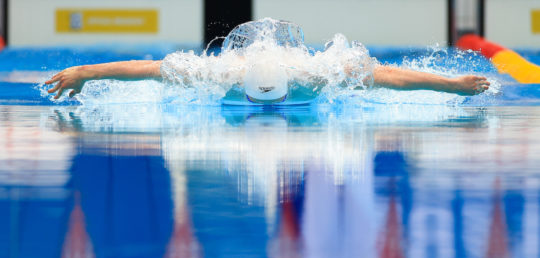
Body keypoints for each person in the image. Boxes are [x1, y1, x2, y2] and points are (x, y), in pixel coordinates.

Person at [45, 19, 490, 103]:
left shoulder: (314, 76)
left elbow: (387, 75)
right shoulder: (217, 74)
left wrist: (452, 85)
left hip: (292, 60)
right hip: (244, 61)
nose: (267, 110)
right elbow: (148, 67)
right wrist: (84, 72)